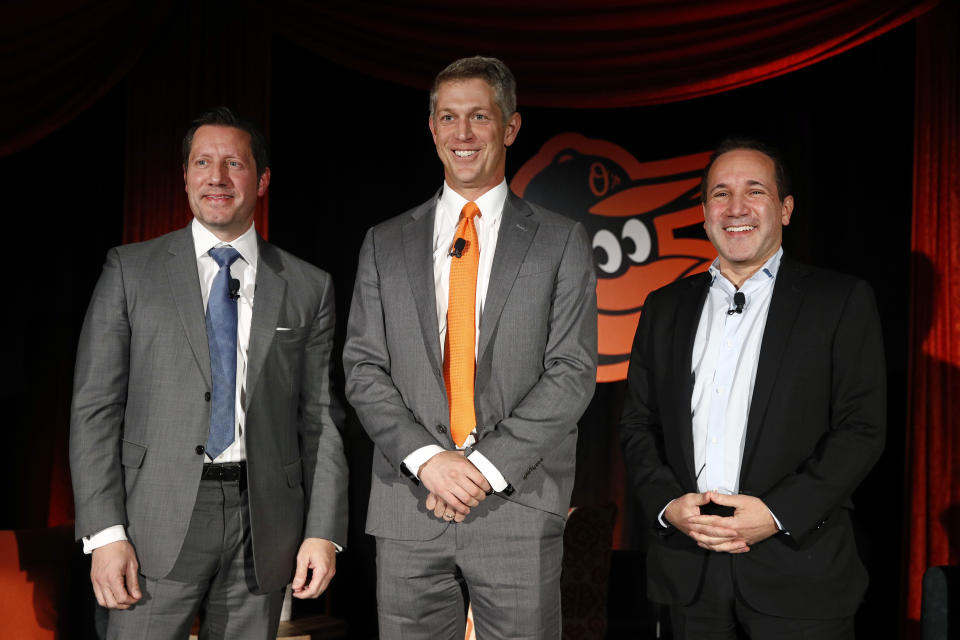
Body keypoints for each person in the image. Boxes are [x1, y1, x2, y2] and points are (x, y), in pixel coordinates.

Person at [69, 106, 348, 639]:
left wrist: (323, 533)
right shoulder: (130, 270)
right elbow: (94, 411)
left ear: (262, 180)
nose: (216, 178)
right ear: (185, 176)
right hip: (151, 524)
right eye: (202, 162)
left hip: (263, 525)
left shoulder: (309, 286)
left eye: (234, 165)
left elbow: (321, 420)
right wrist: (104, 534)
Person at [343, 56, 597, 639]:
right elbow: (362, 368)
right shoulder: (384, 243)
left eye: (479, 117)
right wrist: (430, 461)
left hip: (516, 503)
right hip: (410, 506)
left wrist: (480, 469)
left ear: (509, 127)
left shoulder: (560, 241)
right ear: (431, 128)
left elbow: (571, 372)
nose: (462, 134)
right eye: (448, 118)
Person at [620, 138, 885, 639]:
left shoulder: (839, 300)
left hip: (798, 571)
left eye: (754, 191)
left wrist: (776, 513)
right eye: (720, 194)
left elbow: (862, 429)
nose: (736, 208)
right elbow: (638, 423)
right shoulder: (665, 306)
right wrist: (668, 506)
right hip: (688, 575)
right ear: (703, 213)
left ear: (785, 209)